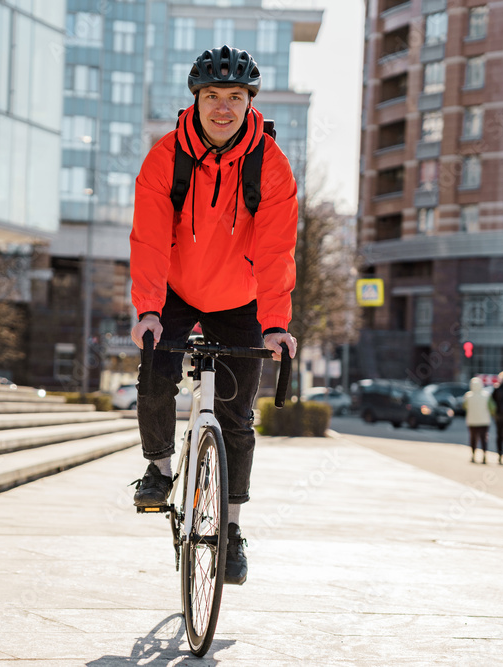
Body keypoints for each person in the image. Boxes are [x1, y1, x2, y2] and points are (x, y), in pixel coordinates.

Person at [128, 45, 299, 586]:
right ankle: (159, 467)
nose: (222, 108)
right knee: (156, 371)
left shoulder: (270, 164)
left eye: (234, 97)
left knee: (237, 418)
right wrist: (148, 310)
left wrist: (275, 324)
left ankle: (231, 529)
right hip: (176, 288)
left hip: (240, 297)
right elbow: (149, 240)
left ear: (250, 102)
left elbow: (276, 250)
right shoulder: (165, 157)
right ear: (195, 100)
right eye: (211, 96)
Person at [463, 377, 491, 464]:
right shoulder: (486, 395)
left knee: (473, 438)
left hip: (472, 421)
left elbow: (464, 406)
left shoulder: (468, 396)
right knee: (484, 439)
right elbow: (491, 407)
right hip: (484, 421)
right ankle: (484, 455)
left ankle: (473, 455)